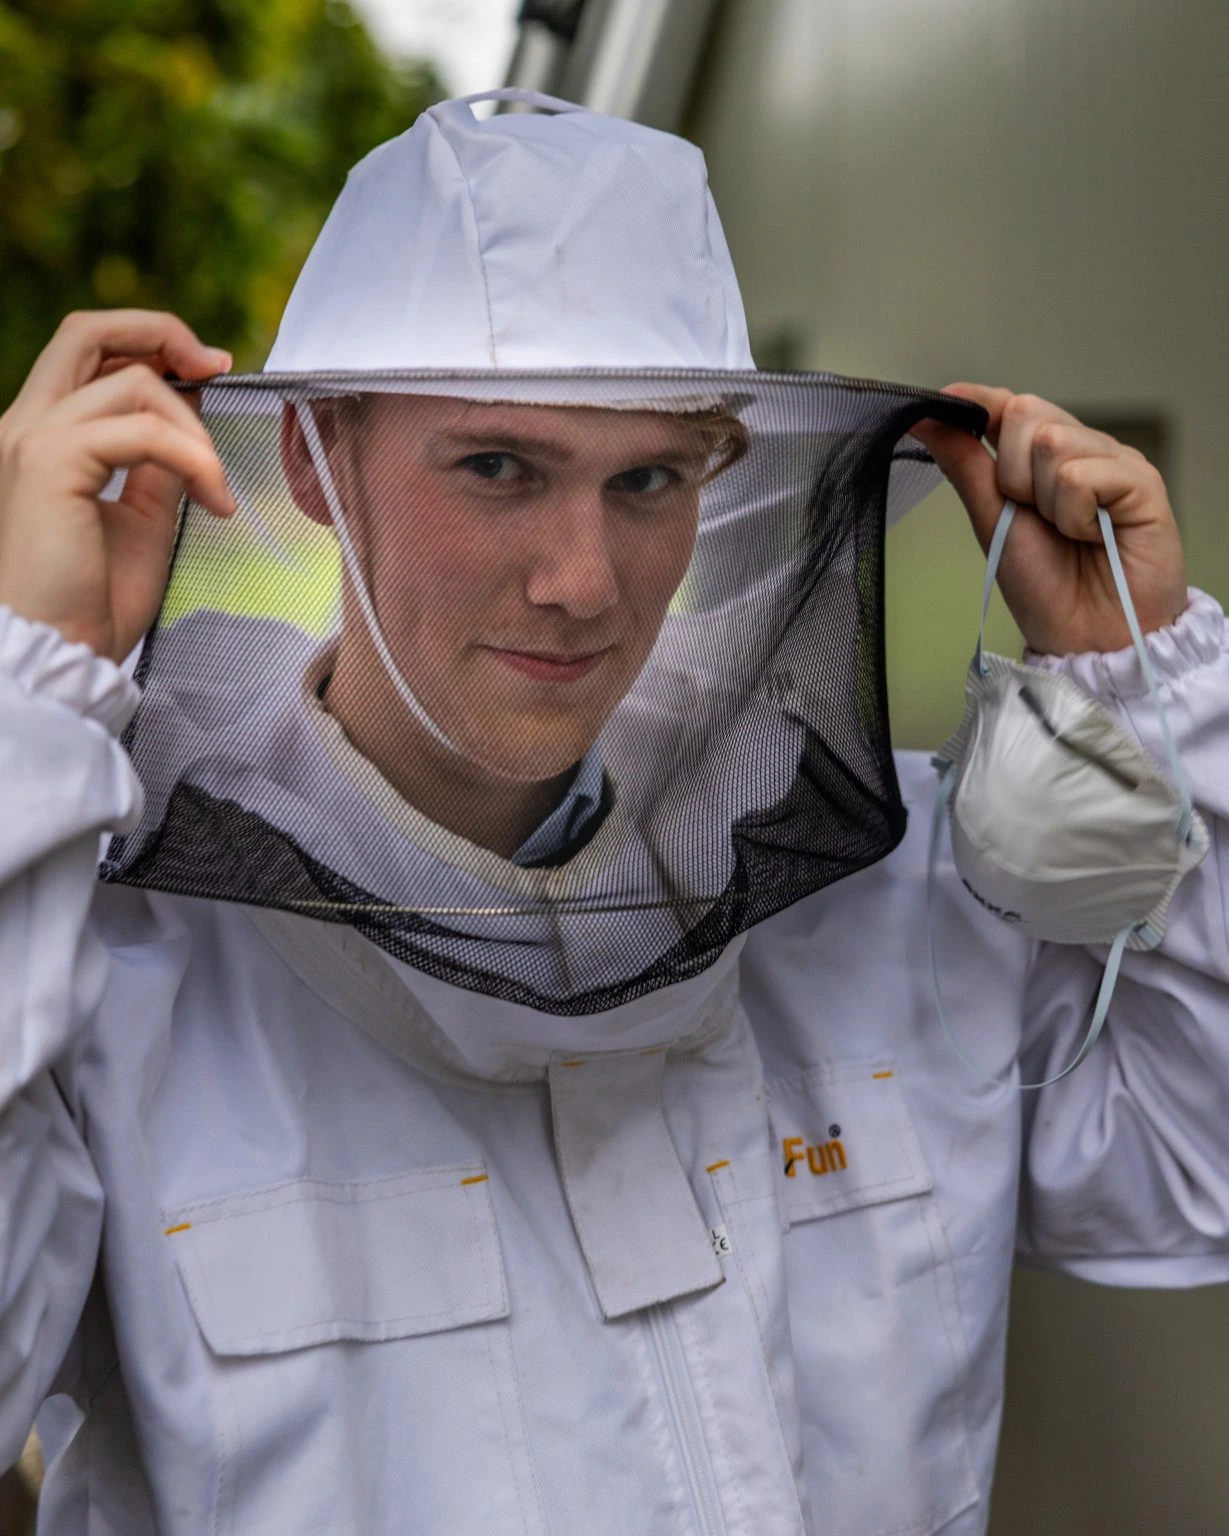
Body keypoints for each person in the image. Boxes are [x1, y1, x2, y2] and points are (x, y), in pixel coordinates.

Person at [0, 86, 1225, 1536]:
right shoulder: (113, 953)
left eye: (648, 478)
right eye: (499, 466)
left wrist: (1156, 689)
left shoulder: (876, 883)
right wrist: (22, 702)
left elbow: (1186, 1170)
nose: (584, 578)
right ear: (319, 462)